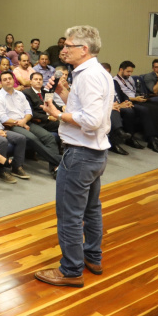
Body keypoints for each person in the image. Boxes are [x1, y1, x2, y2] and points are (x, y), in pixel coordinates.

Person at [35, 26, 114, 288]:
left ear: (84, 49)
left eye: (68, 45)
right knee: (91, 210)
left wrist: (58, 115)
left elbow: (91, 121)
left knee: (69, 216)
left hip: (80, 154)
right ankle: (92, 257)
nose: (63, 49)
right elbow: (82, 108)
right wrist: (62, 96)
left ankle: (70, 270)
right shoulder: (93, 73)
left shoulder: (88, 76)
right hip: (95, 153)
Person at [0, 71, 62, 177]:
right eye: (5, 79)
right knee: (32, 138)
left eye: (10, 78)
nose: (8, 81)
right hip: (11, 126)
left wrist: (24, 121)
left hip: (25, 122)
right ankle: (60, 161)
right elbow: (3, 118)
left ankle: (55, 168)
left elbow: (29, 112)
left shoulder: (20, 94)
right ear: (1, 82)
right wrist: (20, 123)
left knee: (48, 137)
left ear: (13, 80)